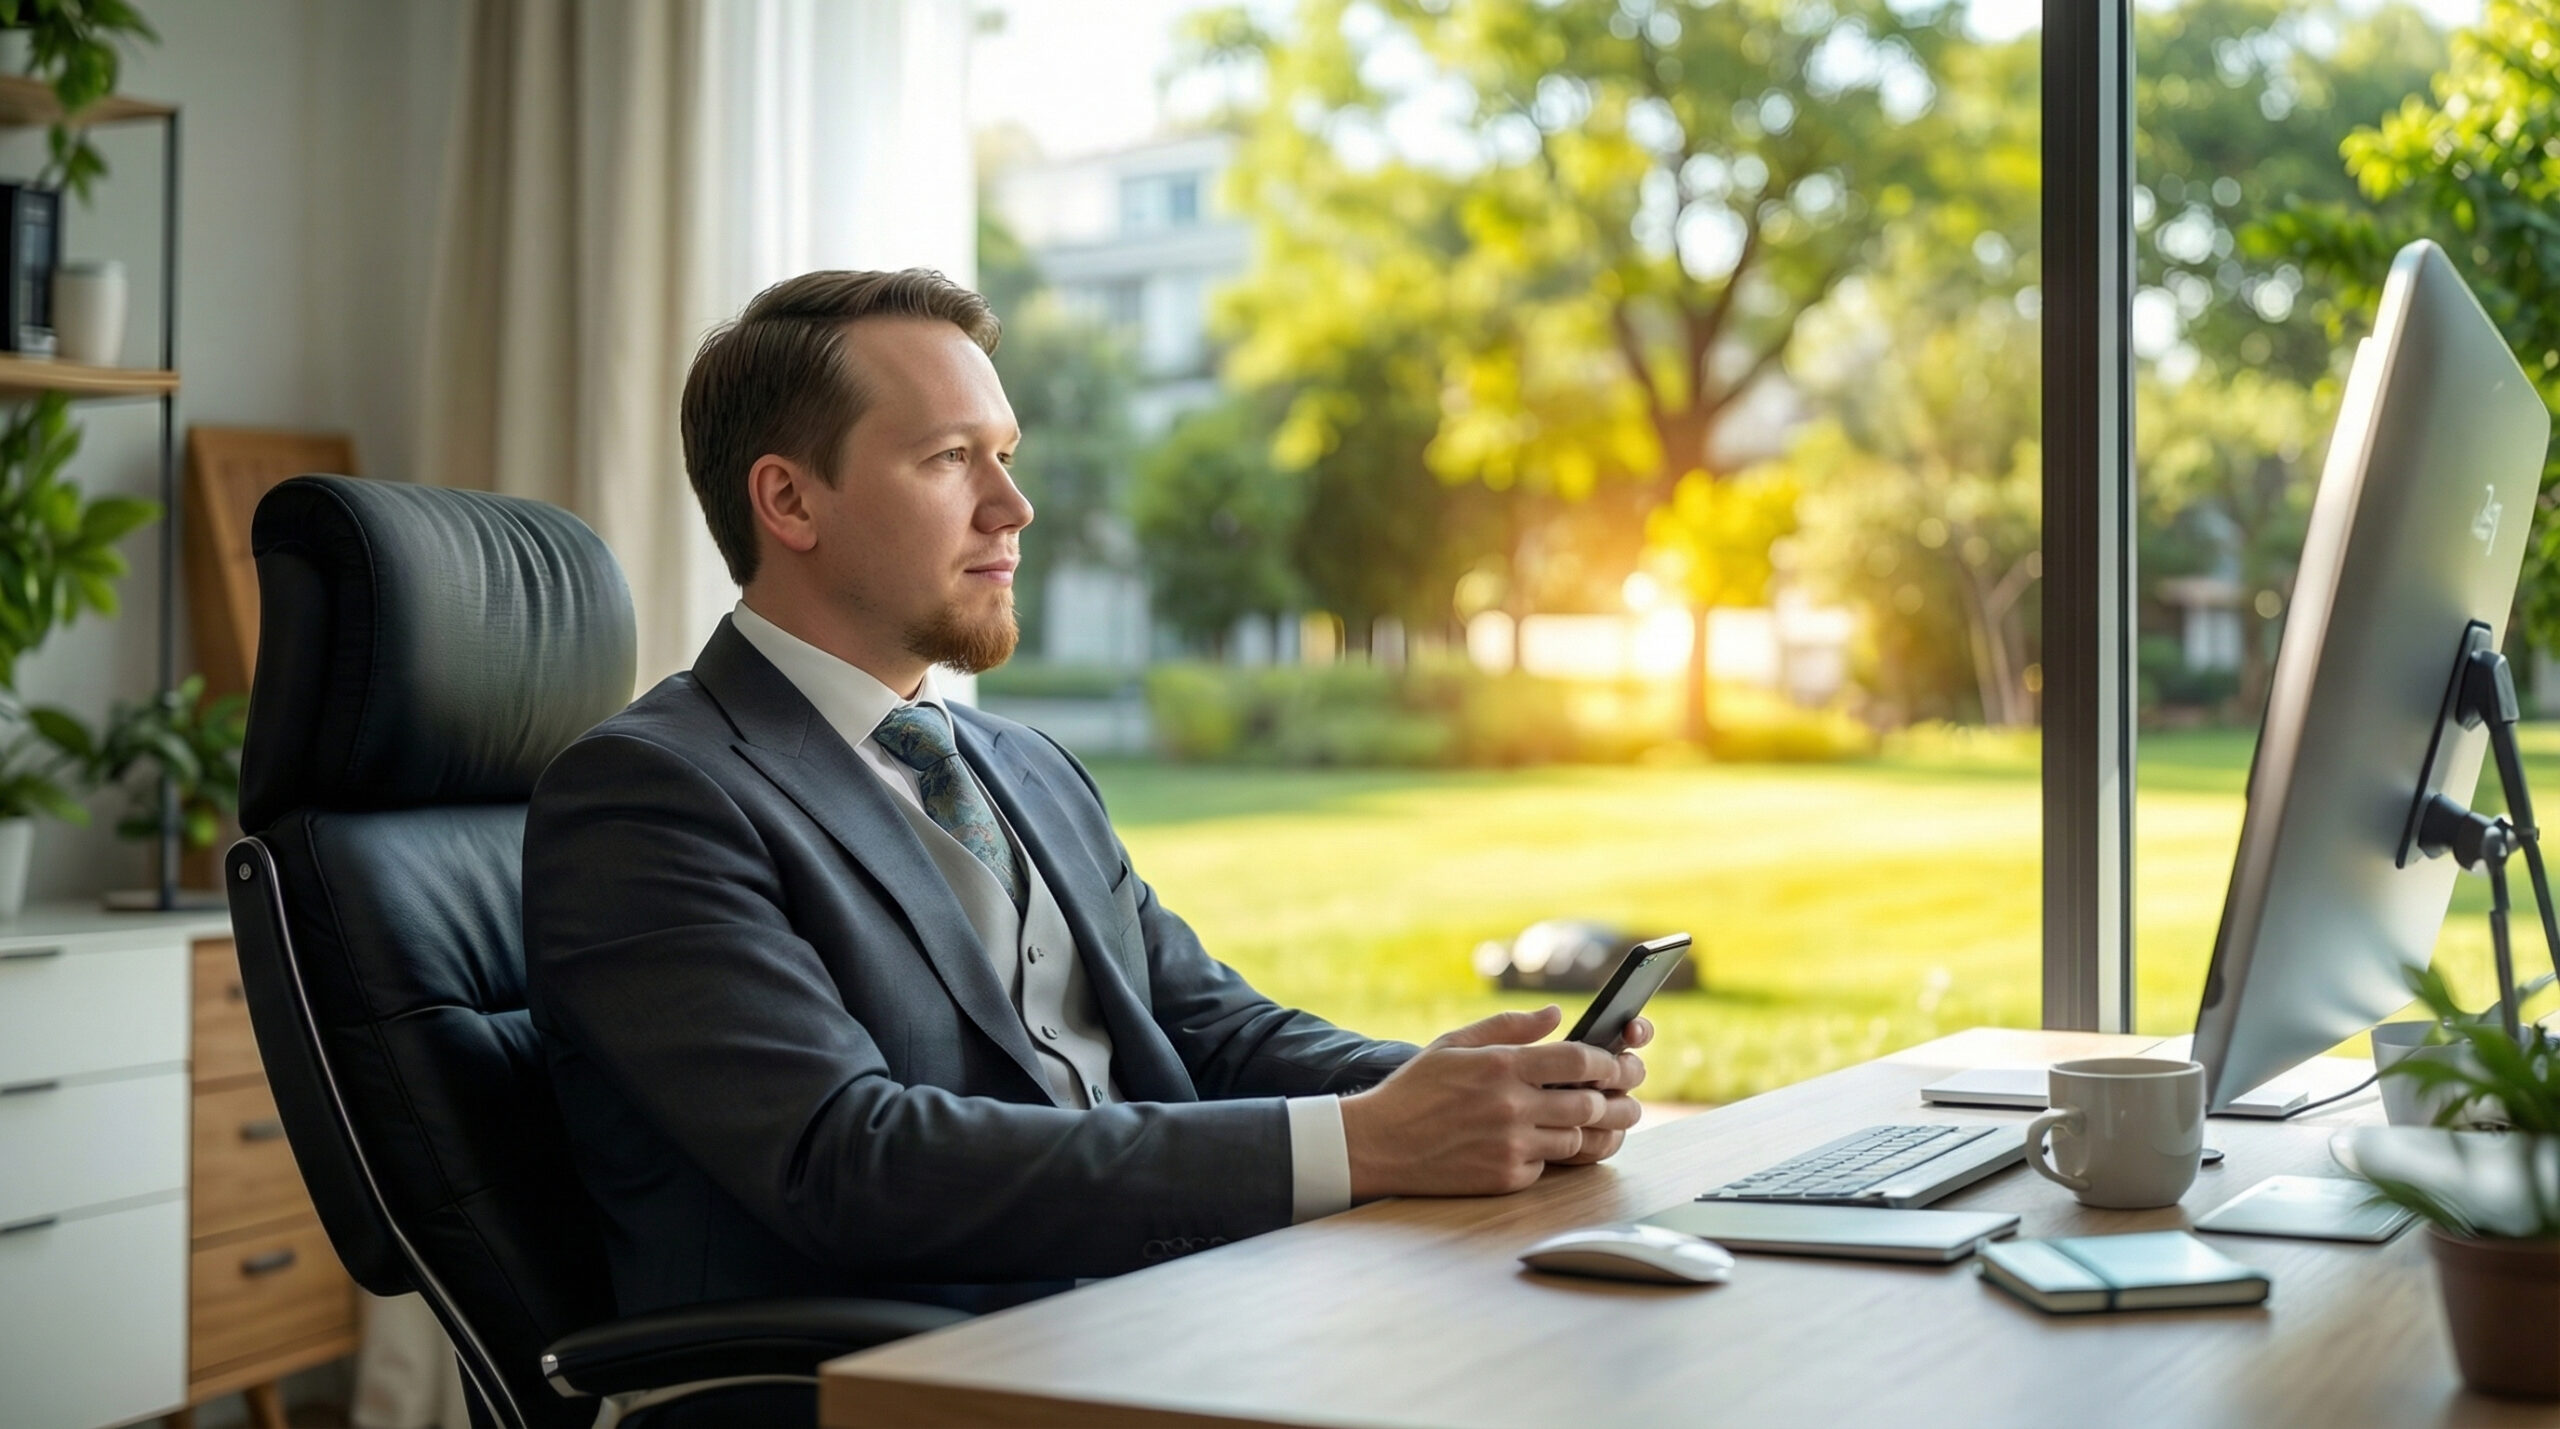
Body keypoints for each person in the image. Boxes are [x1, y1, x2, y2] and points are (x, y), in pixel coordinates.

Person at [524, 269, 1651, 1325]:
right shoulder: (651, 796)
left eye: (1005, 454)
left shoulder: (1024, 765)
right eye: (949, 458)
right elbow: (848, 1161)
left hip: (1168, 1307)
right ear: (788, 499)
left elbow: (1209, 1025)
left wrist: (1467, 1092)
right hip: (912, 1370)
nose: (1012, 507)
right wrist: (1363, 1144)